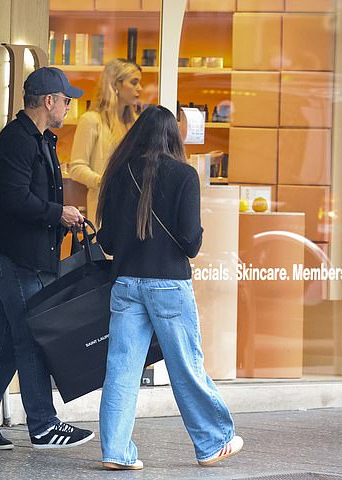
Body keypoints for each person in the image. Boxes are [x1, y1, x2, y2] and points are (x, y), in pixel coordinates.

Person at [96, 105, 243, 471]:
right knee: (185, 365)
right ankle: (212, 441)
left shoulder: (117, 174)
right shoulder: (184, 175)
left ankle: (116, 450)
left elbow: (109, 242)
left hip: (126, 282)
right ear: (173, 137)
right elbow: (191, 243)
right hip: (169, 285)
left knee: (121, 369)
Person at [0, 67, 94, 451]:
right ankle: (43, 425)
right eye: (66, 100)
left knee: (8, 341)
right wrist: (60, 214)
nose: (69, 107)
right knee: (32, 336)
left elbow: (30, 199)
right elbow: (15, 200)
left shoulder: (41, 140)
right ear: (49, 101)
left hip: (29, 256)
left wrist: (62, 219)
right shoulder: (16, 141)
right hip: (13, 256)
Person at [70, 59, 142, 221]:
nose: (140, 89)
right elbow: (77, 167)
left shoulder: (136, 123)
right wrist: (102, 181)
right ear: (116, 85)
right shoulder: (91, 121)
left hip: (135, 207)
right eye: (134, 82)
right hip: (105, 208)